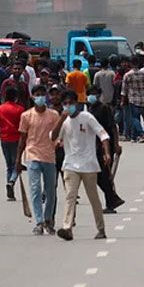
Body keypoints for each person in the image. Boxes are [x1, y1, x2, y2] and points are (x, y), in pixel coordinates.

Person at [51, 91, 112, 241]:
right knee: (70, 196)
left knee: (93, 198)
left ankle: (101, 228)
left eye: (70, 103)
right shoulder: (64, 122)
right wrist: (61, 119)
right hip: (71, 164)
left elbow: (103, 135)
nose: (68, 106)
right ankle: (67, 227)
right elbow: (53, 137)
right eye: (65, 103)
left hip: (89, 164)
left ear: (77, 103)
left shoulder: (87, 117)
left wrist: (107, 153)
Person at [17, 84, 61, 235]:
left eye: (42, 94)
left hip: (49, 156)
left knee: (50, 191)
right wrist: (18, 160)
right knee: (35, 189)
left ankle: (48, 218)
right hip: (32, 155)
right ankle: (39, 221)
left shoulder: (54, 115)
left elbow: (58, 135)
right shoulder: (26, 116)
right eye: (37, 94)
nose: (40, 97)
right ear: (33, 96)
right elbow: (22, 139)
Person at [86, 85, 125, 213]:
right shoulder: (89, 109)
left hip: (105, 145)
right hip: (94, 145)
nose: (91, 96)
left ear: (98, 95)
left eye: (94, 93)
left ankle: (111, 202)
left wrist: (116, 144)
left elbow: (112, 127)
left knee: (104, 175)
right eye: (89, 93)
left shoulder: (104, 108)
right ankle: (113, 198)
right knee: (97, 175)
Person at [0, 87, 25, 201]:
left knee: (9, 165)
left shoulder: (0, 108)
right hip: (16, 139)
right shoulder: (20, 109)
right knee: (16, 164)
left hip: (4, 138)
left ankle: (10, 189)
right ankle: (12, 181)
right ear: (16, 97)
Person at [121, 57, 144, 142]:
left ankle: (141, 133)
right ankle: (134, 137)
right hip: (142, 99)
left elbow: (124, 90)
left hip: (133, 98)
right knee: (137, 116)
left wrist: (122, 101)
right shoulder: (143, 74)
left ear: (131, 64)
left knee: (134, 118)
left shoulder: (127, 75)